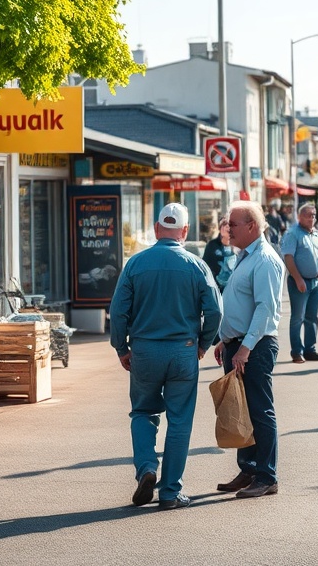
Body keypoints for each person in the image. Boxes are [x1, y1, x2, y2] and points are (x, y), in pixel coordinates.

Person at [109, 203, 221, 510]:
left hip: (144, 350)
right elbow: (215, 310)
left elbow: (118, 311)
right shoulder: (197, 265)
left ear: (157, 228)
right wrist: (203, 343)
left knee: (143, 412)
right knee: (180, 421)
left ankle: (146, 467)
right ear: (184, 231)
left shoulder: (135, 264)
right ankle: (170, 492)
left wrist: (121, 347)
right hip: (183, 350)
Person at [213, 201, 284, 500]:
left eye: (233, 224)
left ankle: (267, 476)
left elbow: (265, 309)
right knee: (241, 408)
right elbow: (239, 302)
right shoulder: (246, 256)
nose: (228, 229)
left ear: (252, 226)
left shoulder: (265, 259)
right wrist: (224, 339)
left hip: (253, 345)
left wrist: (244, 348)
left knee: (259, 410)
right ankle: (249, 468)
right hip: (237, 344)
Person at [280, 203, 318, 364]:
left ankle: (310, 350)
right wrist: (297, 279)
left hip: (315, 281)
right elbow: (288, 257)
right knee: (297, 318)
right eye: (308, 215)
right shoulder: (293, 234)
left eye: (314, 215)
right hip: (299, 282)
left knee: (312, 317)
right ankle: (296, 352)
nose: (311, 218)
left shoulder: (317, 234)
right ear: (299, 217)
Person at [202, 218, 236, 292]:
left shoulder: (237, 246)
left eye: (228, 226)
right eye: (223, 226)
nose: (225, 229)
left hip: (233, 288)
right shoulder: (212, 245)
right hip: (216, 287)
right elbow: (205, 265)